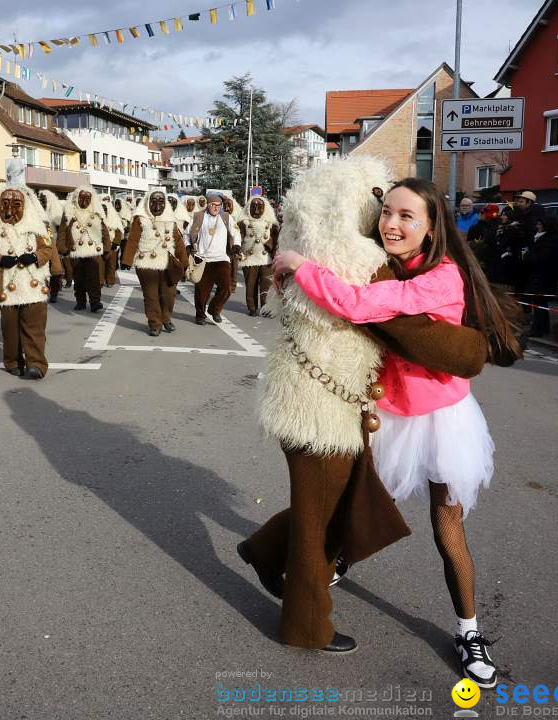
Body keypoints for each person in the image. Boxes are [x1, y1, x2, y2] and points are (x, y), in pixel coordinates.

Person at [270, 175, 521, 688]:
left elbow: (362, 307)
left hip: (442, 421)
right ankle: (318, 563)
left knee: (446, 528)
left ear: (432, 229)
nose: (392, 223)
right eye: (387, 212)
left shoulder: (440, 276)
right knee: (351, 498)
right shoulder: (383, 263)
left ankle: (469, 632)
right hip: (389, 413)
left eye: (408, 217)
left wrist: (302, 266)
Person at [0, 186, 54, 379]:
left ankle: (36, 364)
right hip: (6, 285)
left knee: (34, 327)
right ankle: (12, 361)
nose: (10, 210)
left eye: (16, 205)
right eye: (5, 204)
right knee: (10, 329)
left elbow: (47, 250)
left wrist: (35, 256)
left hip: (33, 284)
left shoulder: (38, 224)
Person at [121, 190, 188, 336]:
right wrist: (127, 259)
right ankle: (155, 323)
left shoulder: (171, 219)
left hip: (167, 263)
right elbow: (132, 239)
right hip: (146, 263)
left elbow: (178, 241)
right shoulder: (141, 219)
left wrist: (184, 262)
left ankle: (166, 318)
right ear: (147, 203)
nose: (157, 205)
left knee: (169, 294)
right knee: (151, 296)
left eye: (161, 201)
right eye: (154, 201)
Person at [186, 192, 241, 324]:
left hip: (222, 259)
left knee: (226, 288)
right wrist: (187, 246)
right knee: (201, 292)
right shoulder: (199, 216)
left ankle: (214, 310)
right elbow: (186, 233)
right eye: (213, 205)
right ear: (208, 205)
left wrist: (237, 245)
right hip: (203, 259)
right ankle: (200, 315)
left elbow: (236, 232)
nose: (216, 208)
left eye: (219, 205)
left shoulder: (226, 217)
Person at [58, 186, 110, 313]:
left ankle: (95, 302)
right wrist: (63, 248)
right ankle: (80, 302)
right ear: (77, 198)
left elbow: (104, 231)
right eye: (82, 198)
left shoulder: (96, 212)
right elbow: (62, 232)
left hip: (93, 251)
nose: (84, 202)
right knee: (79, 278)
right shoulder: (69, 212)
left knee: (94, 279)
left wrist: (107, 248)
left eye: (88, 198)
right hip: (76, 251)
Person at [237, 196, 279, 317]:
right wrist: (237, 250)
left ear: (264, 209)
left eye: (259, 207)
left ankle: (266, 307)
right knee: (251, 284)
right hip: (249, 258)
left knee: (266, 284)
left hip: (266, 259)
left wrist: (274, 250)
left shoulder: (271, 223)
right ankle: (252, 307)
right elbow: (237, 238)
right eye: (253, 207)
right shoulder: (243, 223)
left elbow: (277, 240)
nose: (256, 210)